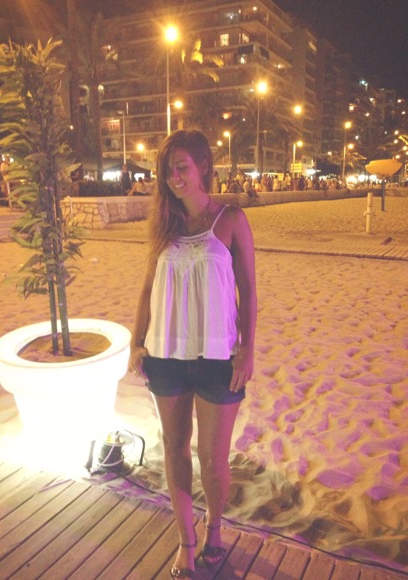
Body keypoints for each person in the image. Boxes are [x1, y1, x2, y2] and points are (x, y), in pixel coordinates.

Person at [128, 130, 257, 579]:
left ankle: (214, 528)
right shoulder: (163, 225)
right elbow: (147, 288)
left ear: (203, 166)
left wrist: (247, 349)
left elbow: (248, 291)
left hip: (219, 357)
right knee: (175, 449)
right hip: (165, 354)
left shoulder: (231, 219)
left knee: (213, 457)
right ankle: (186, 540)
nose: (174, 177)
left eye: (181, 167)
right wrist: (136, 341)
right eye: (168, 170)